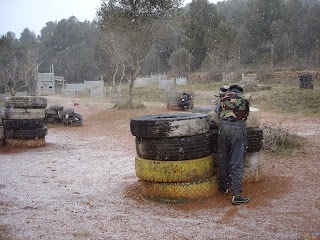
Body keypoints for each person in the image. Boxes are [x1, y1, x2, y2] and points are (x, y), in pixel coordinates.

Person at [217, 84, 250, 205]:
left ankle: (224, 187)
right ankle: (236, 194)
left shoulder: (223, 97)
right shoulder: (244, 98)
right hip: (238, 128)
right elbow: (246, 113)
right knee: (237, 161)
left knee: (223, 158)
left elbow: (217, 111)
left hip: (223, 127)